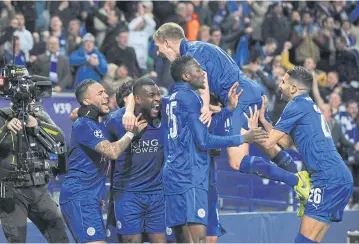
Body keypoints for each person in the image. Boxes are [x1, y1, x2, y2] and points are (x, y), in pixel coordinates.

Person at [123, 23, 309, 209]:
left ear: (167, 42)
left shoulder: (192, 53)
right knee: (270, 143)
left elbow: (203, 78)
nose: (157, 53)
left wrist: (204, 106)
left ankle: (297, 182)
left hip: (240, 96)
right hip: (247, 92)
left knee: (237, 161)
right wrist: (214, 106)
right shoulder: (198, 48)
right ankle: (304, 183)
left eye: (158, 47)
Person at [164, 55, 271, 242]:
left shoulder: (173, 98)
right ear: (185, 76)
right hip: (191, 176)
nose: (203, 73)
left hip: (174, 175)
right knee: (198, 240)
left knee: (182, 240)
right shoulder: (191, 98)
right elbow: (204, 141)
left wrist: (228, 109)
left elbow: (204, 128)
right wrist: (242, 138)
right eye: (197, 69)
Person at [256, 66, 354, 243]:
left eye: (283, 81)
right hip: (339, 177)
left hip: (326, 178)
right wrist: (263, 120)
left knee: (302, 242)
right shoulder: (308, 104)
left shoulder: (295, 104)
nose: (279, 85)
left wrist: (247, 133)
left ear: (294, 88)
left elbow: (270, 142)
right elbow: (284, 142)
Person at [60, 79, 146, 243]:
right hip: (79, 196)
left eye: (105, 92)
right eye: (100, 93)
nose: (106, 96)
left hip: (90, 197)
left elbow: (75, 113)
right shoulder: (84, 124)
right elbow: (112, 152)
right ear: (87, 101)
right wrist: (130, 134)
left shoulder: (96, 122)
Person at [102, 77, 167, 243]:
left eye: (157, 94)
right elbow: (106, 152)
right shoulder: (115, 120)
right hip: (128, 194)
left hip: (157, 193)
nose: (156, 99)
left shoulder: (162, 113)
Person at [0, 101, 69, 243]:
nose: (28, 102)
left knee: (59, 236)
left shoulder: (41, 116)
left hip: (40, 191)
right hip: (13, 192)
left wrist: (38, 124)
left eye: (32, 98)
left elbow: (60, 138)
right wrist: (6, 128)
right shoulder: (2, 116)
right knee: (17, 240)